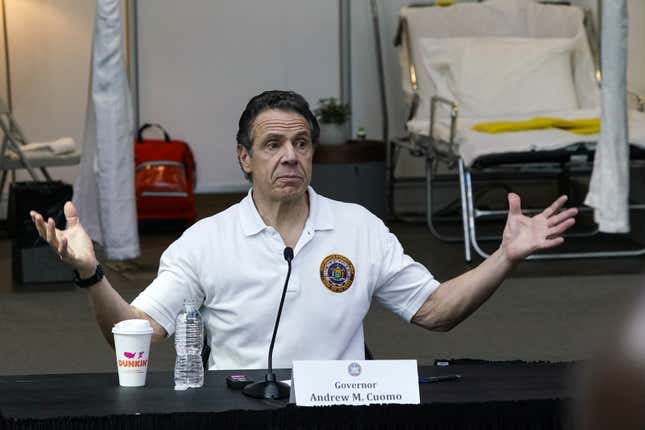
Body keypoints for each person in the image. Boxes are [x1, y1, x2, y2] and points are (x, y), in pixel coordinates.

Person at [30, 90, 577, 370]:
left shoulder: (358, 227)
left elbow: (434, 312)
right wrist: (91, 275)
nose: (290, 156)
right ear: (244, 157)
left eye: (302, 144)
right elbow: (138, 336)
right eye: (273, 145)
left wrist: (503, 257)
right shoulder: (204, 241)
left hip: (342, 411)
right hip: (237, 414)